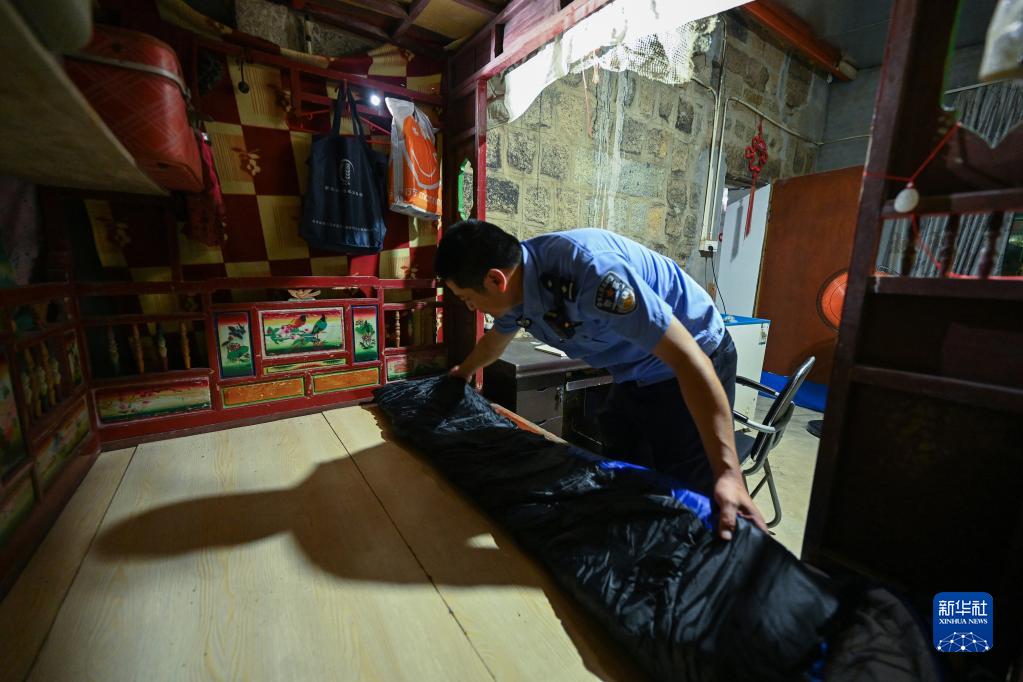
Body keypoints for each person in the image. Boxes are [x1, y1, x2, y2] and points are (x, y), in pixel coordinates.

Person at [435, 219, 767, 540]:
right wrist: (462, 373)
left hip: (691, 363)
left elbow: (689, 360)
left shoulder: (593, 276)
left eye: (467, 298)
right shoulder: (516, 289)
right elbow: (494, 341)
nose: (471, 307)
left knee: (694, 496)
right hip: (634, 371)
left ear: (495, 280)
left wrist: (728, 472)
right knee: (625, 468)